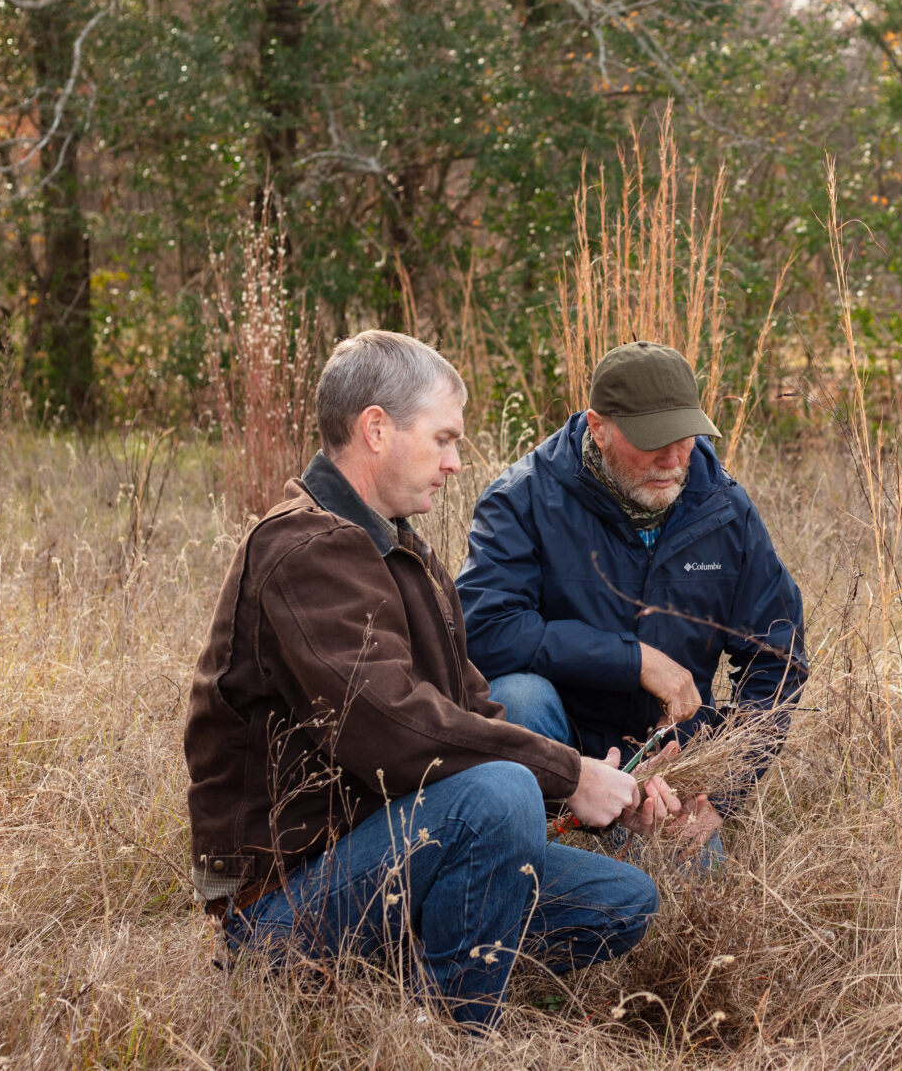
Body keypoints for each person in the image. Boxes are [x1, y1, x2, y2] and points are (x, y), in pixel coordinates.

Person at [183, 330, 668, 1030]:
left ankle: (385, 984)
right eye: (442, 438)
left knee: (621, 899)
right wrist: (564, 773)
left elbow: (471, 706)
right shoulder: (303, 549)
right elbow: (391, 729)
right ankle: (450, 1032)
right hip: (281, 902)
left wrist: (603, 785)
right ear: (376, 429)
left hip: (379, 859)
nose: (455, 462)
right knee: (498, 789)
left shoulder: (399, 547)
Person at [457, 341, 808, 859]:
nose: (673, 459)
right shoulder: (523, 498)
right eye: (652, 441)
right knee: (520, 697)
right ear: (598, 428)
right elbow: (484, 630)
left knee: (683, 897)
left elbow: (777, 660)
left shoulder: (724, 510)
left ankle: (623, 844)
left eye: (685, 437)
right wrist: (634, 660)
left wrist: (721, 792)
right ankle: (533, 845)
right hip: (563, 748)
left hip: (671, 767)